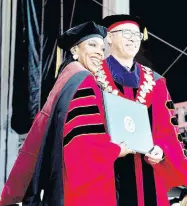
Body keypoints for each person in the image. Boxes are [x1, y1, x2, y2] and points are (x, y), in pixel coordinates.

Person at [0, 21, 133, 206]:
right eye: (92, 45)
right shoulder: (84, 81)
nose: (99, 53)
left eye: (102, 49)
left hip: (65, 186)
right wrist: (119, 149)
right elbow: (86, 146)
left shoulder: (66, 79)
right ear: (74, 51)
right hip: (85, 191)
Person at [98, 14, 187, 206]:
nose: (133, 38)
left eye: (137, 34)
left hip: (148, 176)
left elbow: (169, 131)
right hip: (107, 175)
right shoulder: (94, 77)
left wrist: (162, 150)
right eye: (126, 33)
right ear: (109, 37)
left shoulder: (156, 82)